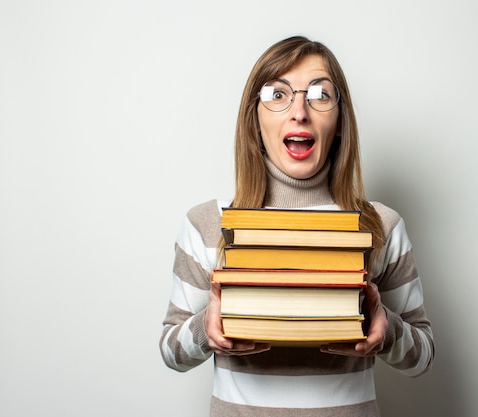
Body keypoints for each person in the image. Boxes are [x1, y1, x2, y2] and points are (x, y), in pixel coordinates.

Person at [159, 35, 434, 417]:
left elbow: (422, 357)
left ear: (339, 121)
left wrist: (386, 329)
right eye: (278, 94)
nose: (299, 111)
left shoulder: (380, 225)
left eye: (320, 95)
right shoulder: (208, 223)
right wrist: (206, 330)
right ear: (254, 117)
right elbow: (171, 352)